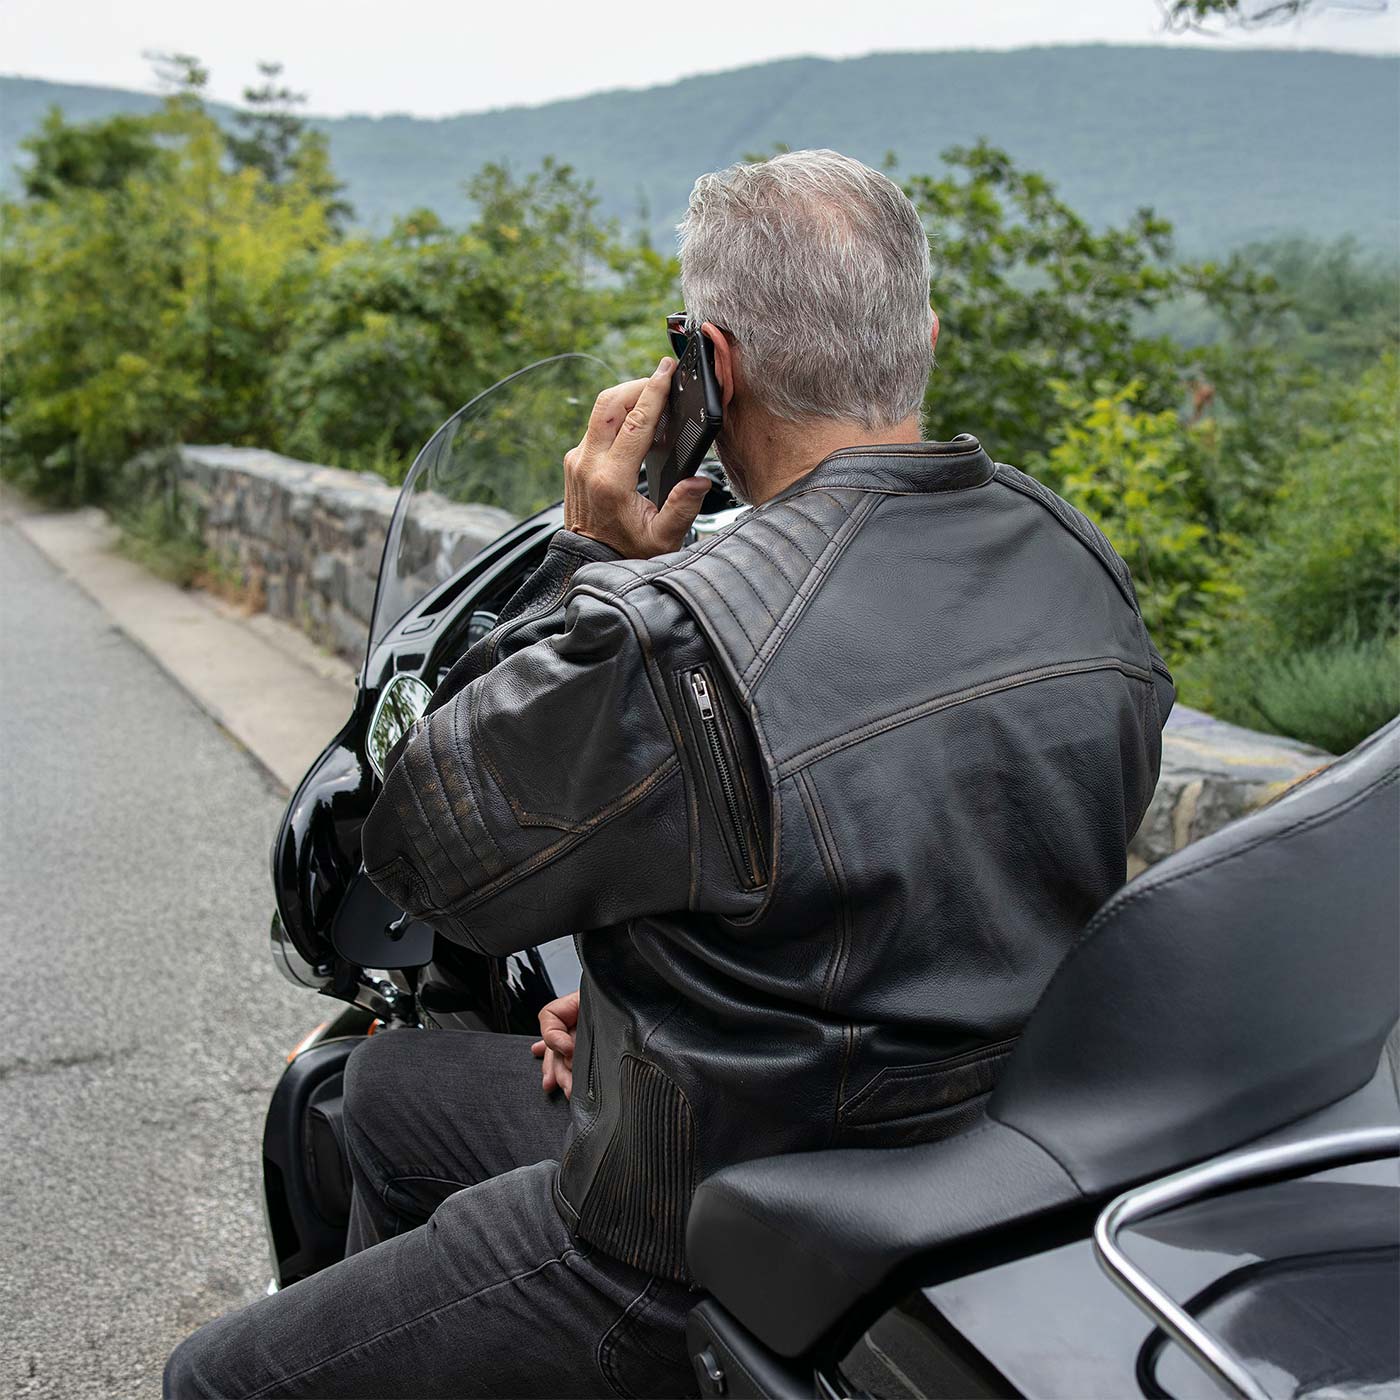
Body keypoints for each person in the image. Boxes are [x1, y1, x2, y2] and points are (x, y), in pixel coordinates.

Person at [165, 149, 1172, 1398]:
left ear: (709, 362)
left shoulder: (680, 634)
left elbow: (429, 854)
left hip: (678, 1235)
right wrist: (655, 1007)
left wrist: (583, 557)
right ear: (919, 333)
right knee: (386, 1093)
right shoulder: (1070, 561)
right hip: (959, 1160)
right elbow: (941, 866)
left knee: (210, 1380)